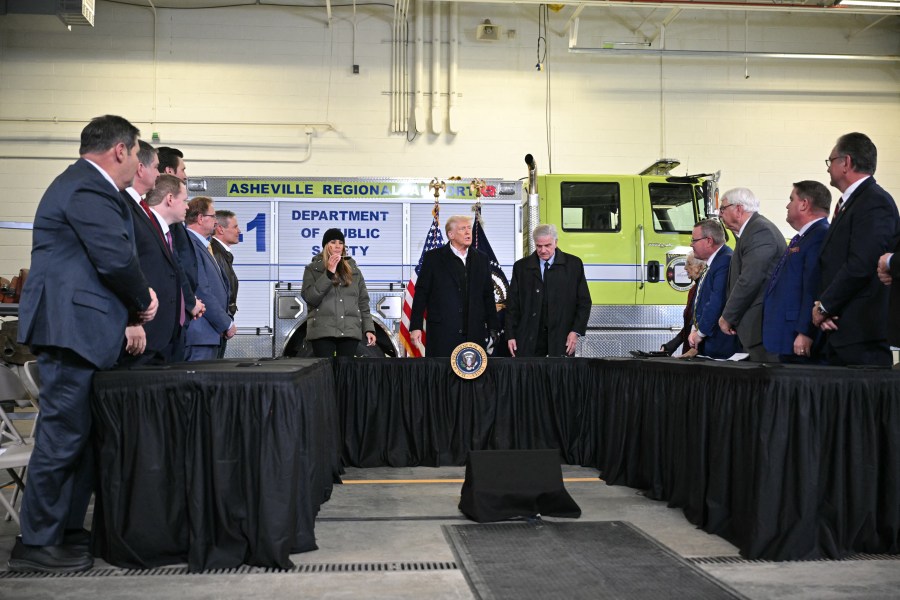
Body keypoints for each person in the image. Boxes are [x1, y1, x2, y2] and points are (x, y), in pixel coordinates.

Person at [11, 115, 159, 573]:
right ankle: (36, 543)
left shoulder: (86, 187)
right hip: (70, 330)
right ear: (120, 150)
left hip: (84, 332)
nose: (139, 165)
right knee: (62, 437)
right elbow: (114, 258)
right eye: (137, 154)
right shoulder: (87, 187)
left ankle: (64, 531)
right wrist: (142, 300)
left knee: (80, 440)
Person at [814, 132, 900, 366]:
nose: (828, 168)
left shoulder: (874, 201)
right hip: (840, 329)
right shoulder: (851, 202)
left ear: (846, 163)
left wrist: (825, 306)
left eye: (831, 161)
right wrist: (824, 307)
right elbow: (833, 263)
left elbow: (862, 263)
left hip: (862, 334)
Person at [119, 175, 190, 365]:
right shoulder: (137, 221)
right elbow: (126, 270)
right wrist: (132, 321)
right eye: (184, 200)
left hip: (167, 336)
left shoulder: (164, 231)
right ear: (170, 199)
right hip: (144, 336)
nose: (187, 206)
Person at [409, 215, 499, 357]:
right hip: (442, 334)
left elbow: (488, 295)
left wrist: (493, 326)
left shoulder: (482, 259)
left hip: (474, 334)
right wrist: (416, 326)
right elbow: (421, 294)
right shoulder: (433, 258)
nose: (468, 232)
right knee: (441, 371)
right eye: (463, 229)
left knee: (472, 371)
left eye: (469, 228)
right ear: (451, 235)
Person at [761, 181, 830, 363]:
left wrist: (806, 332)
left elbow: (813, 286)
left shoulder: (820, 235)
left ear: (804, 204)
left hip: (798, 337)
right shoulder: (804, 238)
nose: (787, 205)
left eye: (791, 199)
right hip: (786, 334)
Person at [717, 188, 787, 362]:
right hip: (753, 325)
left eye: (723, 209)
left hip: (761, 326)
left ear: (738, 209)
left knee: (765, 375)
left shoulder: (760, 231)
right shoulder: (751, 232)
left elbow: (750, 279)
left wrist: (728, 316)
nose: (720, 214)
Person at [505, 223, 591, 357]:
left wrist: (575, 331)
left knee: (560, 371)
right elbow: (512, 305)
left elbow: (584, 302)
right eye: (539, 246)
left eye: (547, 245)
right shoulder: (521, 267)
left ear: (556, 242)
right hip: (528, 339)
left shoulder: (574, 265)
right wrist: (510, 335)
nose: (543, 250)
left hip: (561, 338)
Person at [301, 228, 376, 357]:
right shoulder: (312, 269)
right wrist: (328, 273)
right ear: (326, 246)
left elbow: (363, 302)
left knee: (346, 369)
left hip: (349, 332)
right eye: (333, 242)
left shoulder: (354, 271)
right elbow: (310, 298)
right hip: (323, 332)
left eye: (341, 243)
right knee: (325, 369)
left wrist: (369, 329)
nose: (337, 246)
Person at [183, 196, 235, 361]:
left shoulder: (203, 245)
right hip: (200, 335)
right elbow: (202, 290)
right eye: (212, 216)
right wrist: (226, 323)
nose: (216, 222)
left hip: (209, 334)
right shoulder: (190, 245)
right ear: (200, 218)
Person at [688, 219, 741, 359]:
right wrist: (694, 329)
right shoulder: (714, 262)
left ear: (709, 241)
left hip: (720, 345)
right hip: (709, 343)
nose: (691, 244)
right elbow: (701, 300)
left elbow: (716, 301)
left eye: (694, 240)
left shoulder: (725, 260)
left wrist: (700, 333)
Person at [661, 251, 705, 358]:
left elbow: (706, 322)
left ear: (700, 267)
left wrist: (695, 350)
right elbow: (688, 327)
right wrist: (670, 347)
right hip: (690, 352)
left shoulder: (705, 290)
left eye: (689, 264)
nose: (685, 268)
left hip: (701, 354)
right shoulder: (693, 290)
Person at [211, 210, 241, 358]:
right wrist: (225, 322)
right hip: (217, 327)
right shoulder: (216, 254)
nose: (239, 231)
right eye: (235, 227)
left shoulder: (222, 254)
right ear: (220, 229)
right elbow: (218, 293)